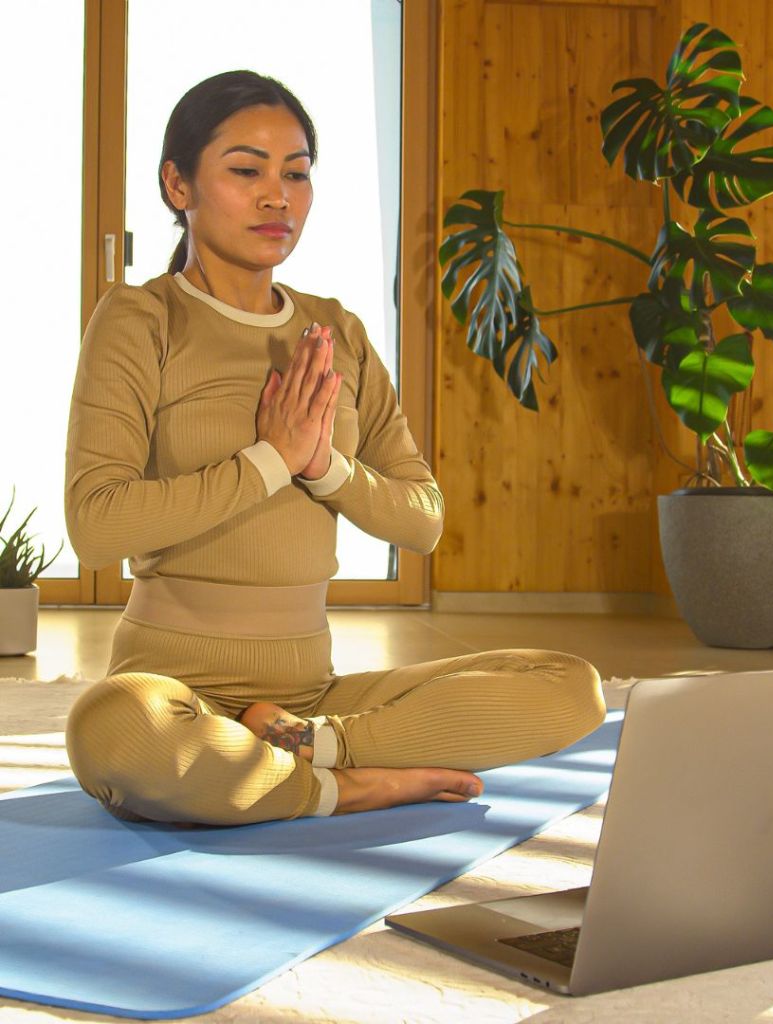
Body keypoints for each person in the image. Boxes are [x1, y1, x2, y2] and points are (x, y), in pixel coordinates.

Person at [63, 70, 606, 827]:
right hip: (171, 686)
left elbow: (422, 521)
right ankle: (349, 783)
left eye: (296, 174)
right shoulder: (140, 318)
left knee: (570, 684)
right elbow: (97, 526)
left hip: (311, 696)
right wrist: (268, 461)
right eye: (247, 170)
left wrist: (324, 468)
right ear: (177, 184)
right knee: (114, 731)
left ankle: (310, 749)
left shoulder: (337, 331)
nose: (277, 196)